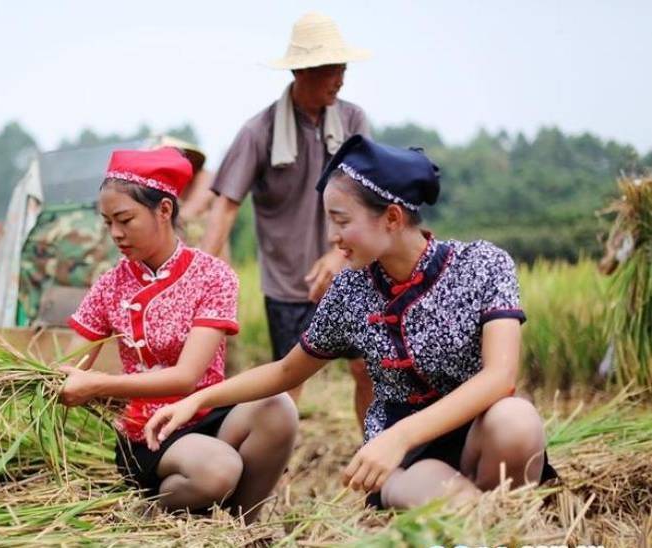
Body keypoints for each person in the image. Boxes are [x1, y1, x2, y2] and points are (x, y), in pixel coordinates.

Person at [146, 136, 558, 510]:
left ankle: (511, 520)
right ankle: (480, 523)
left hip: (475, 433)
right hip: (407, 460)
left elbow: (500, 376)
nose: (331, 236)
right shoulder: (350, 290)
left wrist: (402, 435)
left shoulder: (483, 264)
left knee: (516, 418)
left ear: (393, 218)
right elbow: (287, 370)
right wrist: (199, 400)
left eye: (341, 221)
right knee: (452, 506)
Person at [57, 148, 297, 520]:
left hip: (208, 413)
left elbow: (187, 377)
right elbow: (69, 366)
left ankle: (243, 529)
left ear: (164, 210)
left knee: (279, 407)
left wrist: (99, 385)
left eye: (125, 219)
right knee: (218, 469)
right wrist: (63, 380)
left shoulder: (213, 276)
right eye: (107, 223)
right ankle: (148, 512)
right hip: (147, 433)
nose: (116, 234)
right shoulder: (109, 286)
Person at [201, 12, 373, 418]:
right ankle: (277, 468)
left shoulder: (353, 121)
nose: (341, 79)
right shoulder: (258, 132)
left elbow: (370, 198)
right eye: (332, 69)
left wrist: (341, 256)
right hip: (287, 283)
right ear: (302, 71)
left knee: (367, 369)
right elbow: (225, 206)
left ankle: (375, 457)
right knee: (286, 383)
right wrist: (201, 278)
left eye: (343, 68)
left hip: (349, 273)